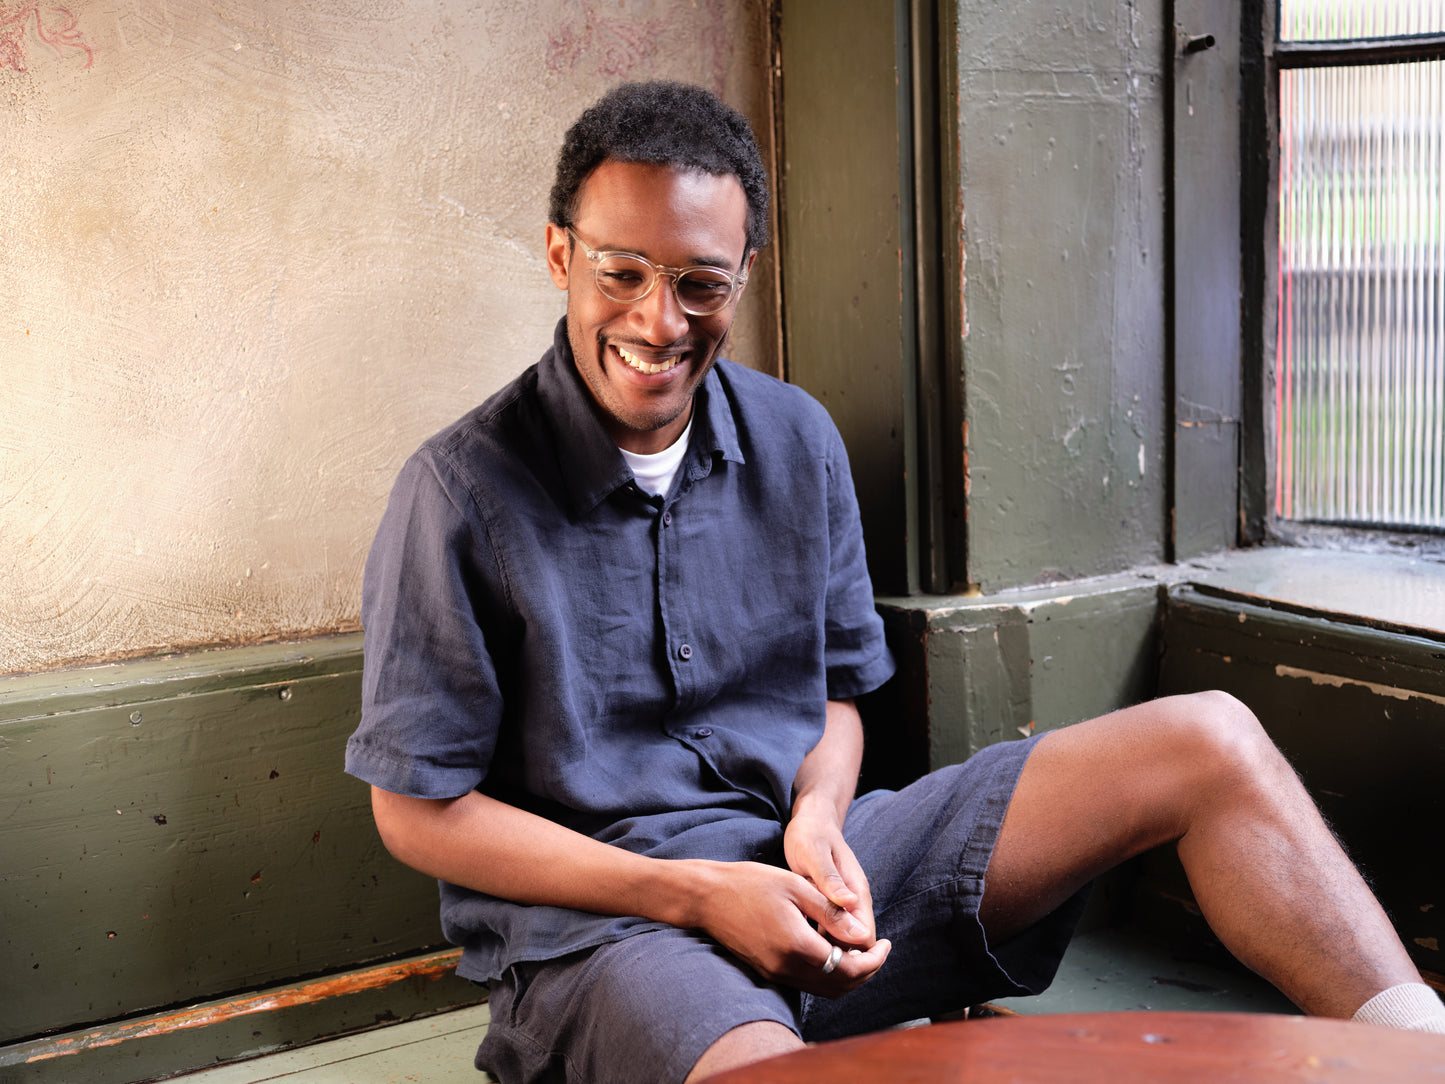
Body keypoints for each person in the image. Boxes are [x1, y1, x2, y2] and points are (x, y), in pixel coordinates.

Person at [345, 80, 1442, 1083]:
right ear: (558, 255)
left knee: (1208, 736)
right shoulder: (458, 492)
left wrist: (819, 817)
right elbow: (417, 812)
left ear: (742, 276)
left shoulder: (796, 439)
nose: (656, 319)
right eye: (620, 273)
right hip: (611, 939)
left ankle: (1419, 1052)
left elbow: (831, 696)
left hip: (816, 875)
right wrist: (695, 891)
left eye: (697, 283)